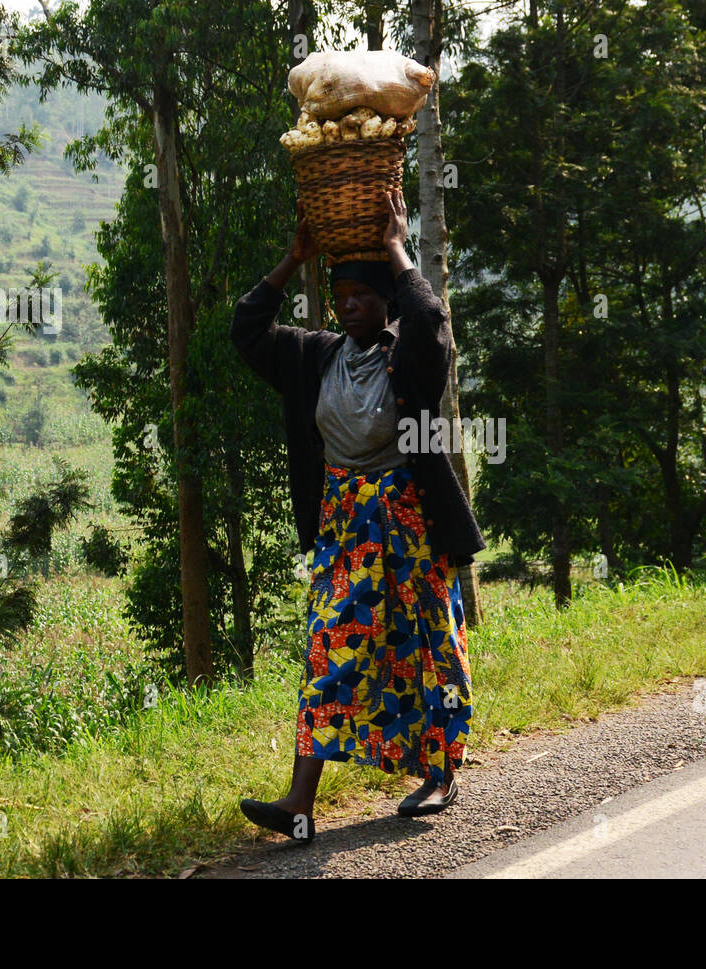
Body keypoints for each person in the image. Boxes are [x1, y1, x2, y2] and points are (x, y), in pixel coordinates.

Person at [230, 190, 486, 844]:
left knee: (429, 646)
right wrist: (293, 259)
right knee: (329, 645)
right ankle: (298, 801)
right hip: (344, 525)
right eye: (340, 294)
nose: (348, 304)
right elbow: (247, 329)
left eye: (362, 295)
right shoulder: (314, 355)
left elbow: (431, 316)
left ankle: (440, 771)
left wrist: (397, 245)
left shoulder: (409, 355)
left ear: (385, 303)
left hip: (408, 519)